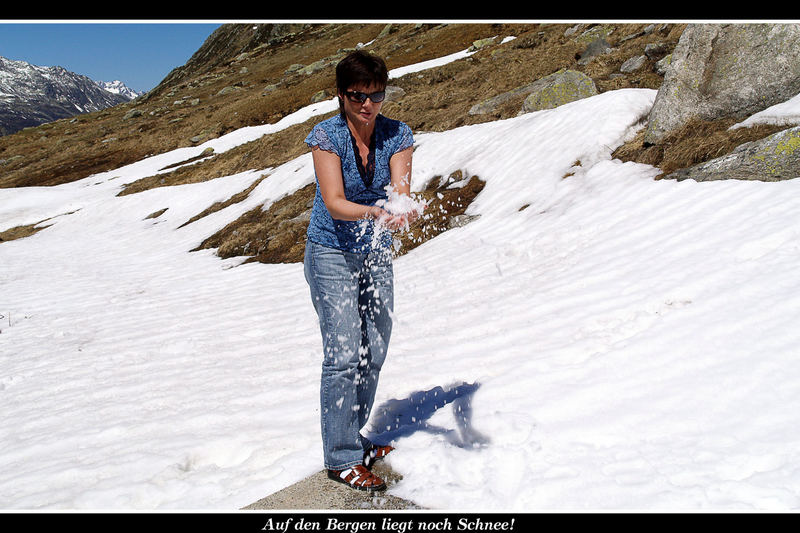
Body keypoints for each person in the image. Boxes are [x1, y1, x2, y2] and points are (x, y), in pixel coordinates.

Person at [303, 50, 420, 492]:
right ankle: (341, 458)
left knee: (376, 345)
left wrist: (400, 210)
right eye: (357, 96)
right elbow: (334, 201)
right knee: (343, 352)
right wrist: (377, 212)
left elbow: (402, 192)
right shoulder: (326, 136)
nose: (368, 104)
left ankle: (353, 437)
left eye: (376, 94)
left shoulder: (399, 134)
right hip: (330, 251)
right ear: (341, 95)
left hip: (374, 251)